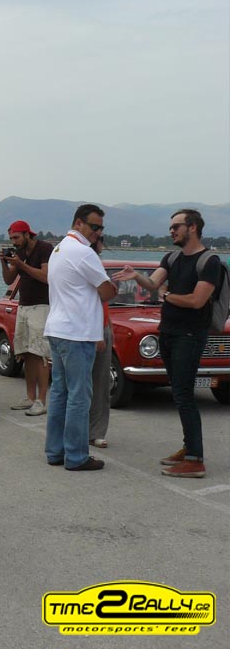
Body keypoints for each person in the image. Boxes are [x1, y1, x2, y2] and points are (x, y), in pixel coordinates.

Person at [113, 209, 220, 479]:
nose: (171, 231)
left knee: (184, 395)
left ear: (192, 227)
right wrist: (135, 276)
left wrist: (167, 295)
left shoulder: (209, 261)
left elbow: (197, 301)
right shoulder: (172, 257)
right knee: (179, 394)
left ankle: (195, 461)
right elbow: (152, 284)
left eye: (176, 226)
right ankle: (189, 448)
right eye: (171, 227)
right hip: (168, 333)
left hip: (190, 336)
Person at [44, 204, 117, 472]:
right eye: (94, 227)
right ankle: (76, 456)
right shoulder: (84, 252)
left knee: (60, 393)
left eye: (101, 228)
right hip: (77, 333)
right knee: (79, 396)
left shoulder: (59, 249)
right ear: (78, 223)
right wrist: (114, 284)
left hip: (58, 329)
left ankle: (55, 451)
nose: (98, 233)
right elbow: (107, 292)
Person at [0, 220, 53, 416]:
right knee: (26, 352)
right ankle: (30, 397)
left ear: (27, 234)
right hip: (24, 306)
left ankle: (41, 400)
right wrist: (4, 263)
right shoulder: (20, 252)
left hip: (41, 306)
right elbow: (9, 279)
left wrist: (22, 264)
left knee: (40, 353)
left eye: (16, 237)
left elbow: (46, 276)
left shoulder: (44, 249)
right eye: (11, 238)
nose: (14, 242)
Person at [89, 235, 112, 449]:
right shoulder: (86, 261)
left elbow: (103, 301)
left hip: (100, 326)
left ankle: (96, 431)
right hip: (89, 329)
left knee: (100, 383)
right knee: (85, 384)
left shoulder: (96, 263)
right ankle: (85, 430)